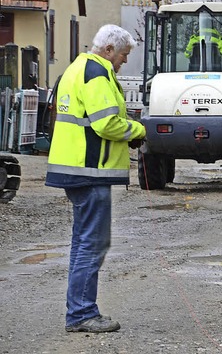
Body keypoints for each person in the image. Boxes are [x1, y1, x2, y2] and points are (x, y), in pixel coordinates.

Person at [45, 24, 147, 333]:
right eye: (124, 55)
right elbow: (106, 124)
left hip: (75, 168)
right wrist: (138, 130)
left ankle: (79, 310)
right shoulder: (96, 73)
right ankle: (81, 313)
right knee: (93, 243)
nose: (124, 62)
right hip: (90, 171)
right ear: (108, 50)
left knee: (83, 242)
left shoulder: (77, 68)